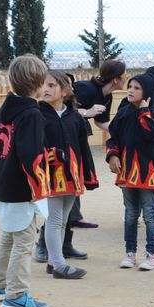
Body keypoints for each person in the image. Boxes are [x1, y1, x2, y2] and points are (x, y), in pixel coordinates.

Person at [0, 54, 52, 307]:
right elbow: (31, 156)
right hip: (22, 188)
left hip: (3, 184)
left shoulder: (2, 111)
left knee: (9, 235)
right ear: (38, 83)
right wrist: (40, 188)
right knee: (24, 240)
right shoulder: (32, 114)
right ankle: (16, 295)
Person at [37, 70, 98, 279]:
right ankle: (59, 265)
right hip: (51, 176)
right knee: (54, 219)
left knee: (63, 220)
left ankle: (53, 262)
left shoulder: (75, 117)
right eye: (44, 85)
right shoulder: (38, 115)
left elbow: (83, 148)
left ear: (64, 91)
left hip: (72, 175)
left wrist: (88, 174)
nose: (46, 89)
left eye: (51, 85)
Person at [106, 72, 154, 271]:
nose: (131, 90)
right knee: (131, 214)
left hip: (148, 173)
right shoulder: (123, 113)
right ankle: (130, 253)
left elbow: (152, 133)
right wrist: (112, 155)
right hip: (126, 171)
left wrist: (144, 111)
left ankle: (152, 255)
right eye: (130, 86)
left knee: (150, 214)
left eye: (137, 88)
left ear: (147, 92)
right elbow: (112, 139)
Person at [70, 59, 127, 231]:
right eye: (124, 75)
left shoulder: (107, 96)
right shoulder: (86, 88)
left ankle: (74, 216)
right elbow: (65, 107)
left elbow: (101, 121)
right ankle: (70, 216)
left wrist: (122, 133)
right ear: (116, 79)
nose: (127, 77)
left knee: (76, 172)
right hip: (64, 136)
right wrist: (87, 112)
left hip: (77, 135)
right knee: (71, 171)